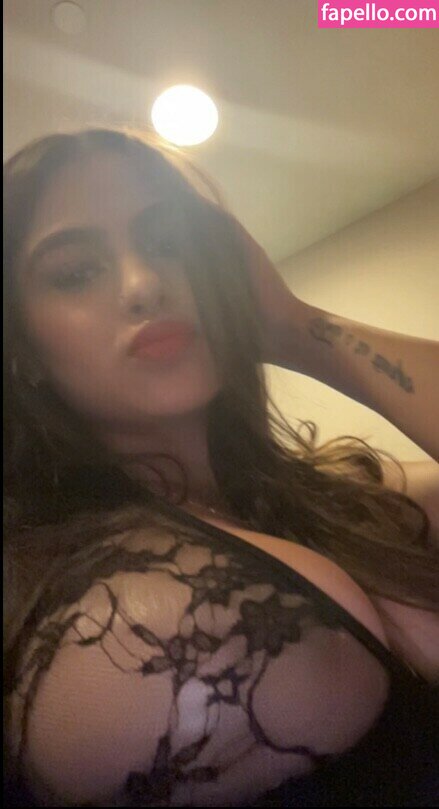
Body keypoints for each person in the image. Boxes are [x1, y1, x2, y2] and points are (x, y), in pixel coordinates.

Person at [3, 126, 438, 807]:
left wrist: (295, 325)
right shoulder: (127, 620)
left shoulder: (319, 495)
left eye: (170, 243)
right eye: (76, 272)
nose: (146, 284)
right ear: (22, 347)